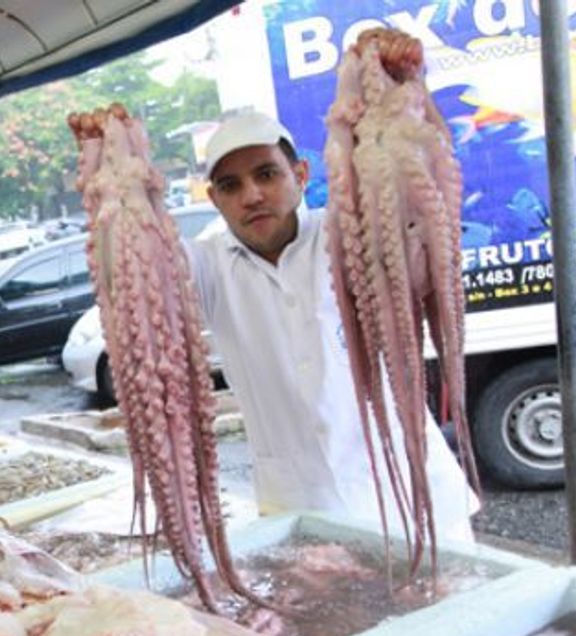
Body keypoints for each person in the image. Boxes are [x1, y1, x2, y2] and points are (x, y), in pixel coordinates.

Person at [186, 111, 476, 541]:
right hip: (306, 510)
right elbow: (140, 270)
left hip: (417, 499)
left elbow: (422, 244)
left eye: (266, 174)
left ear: (300, 174)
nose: (251, 196)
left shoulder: (350, 233)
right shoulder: (207, 265)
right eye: (231, 186)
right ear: (214, 198)